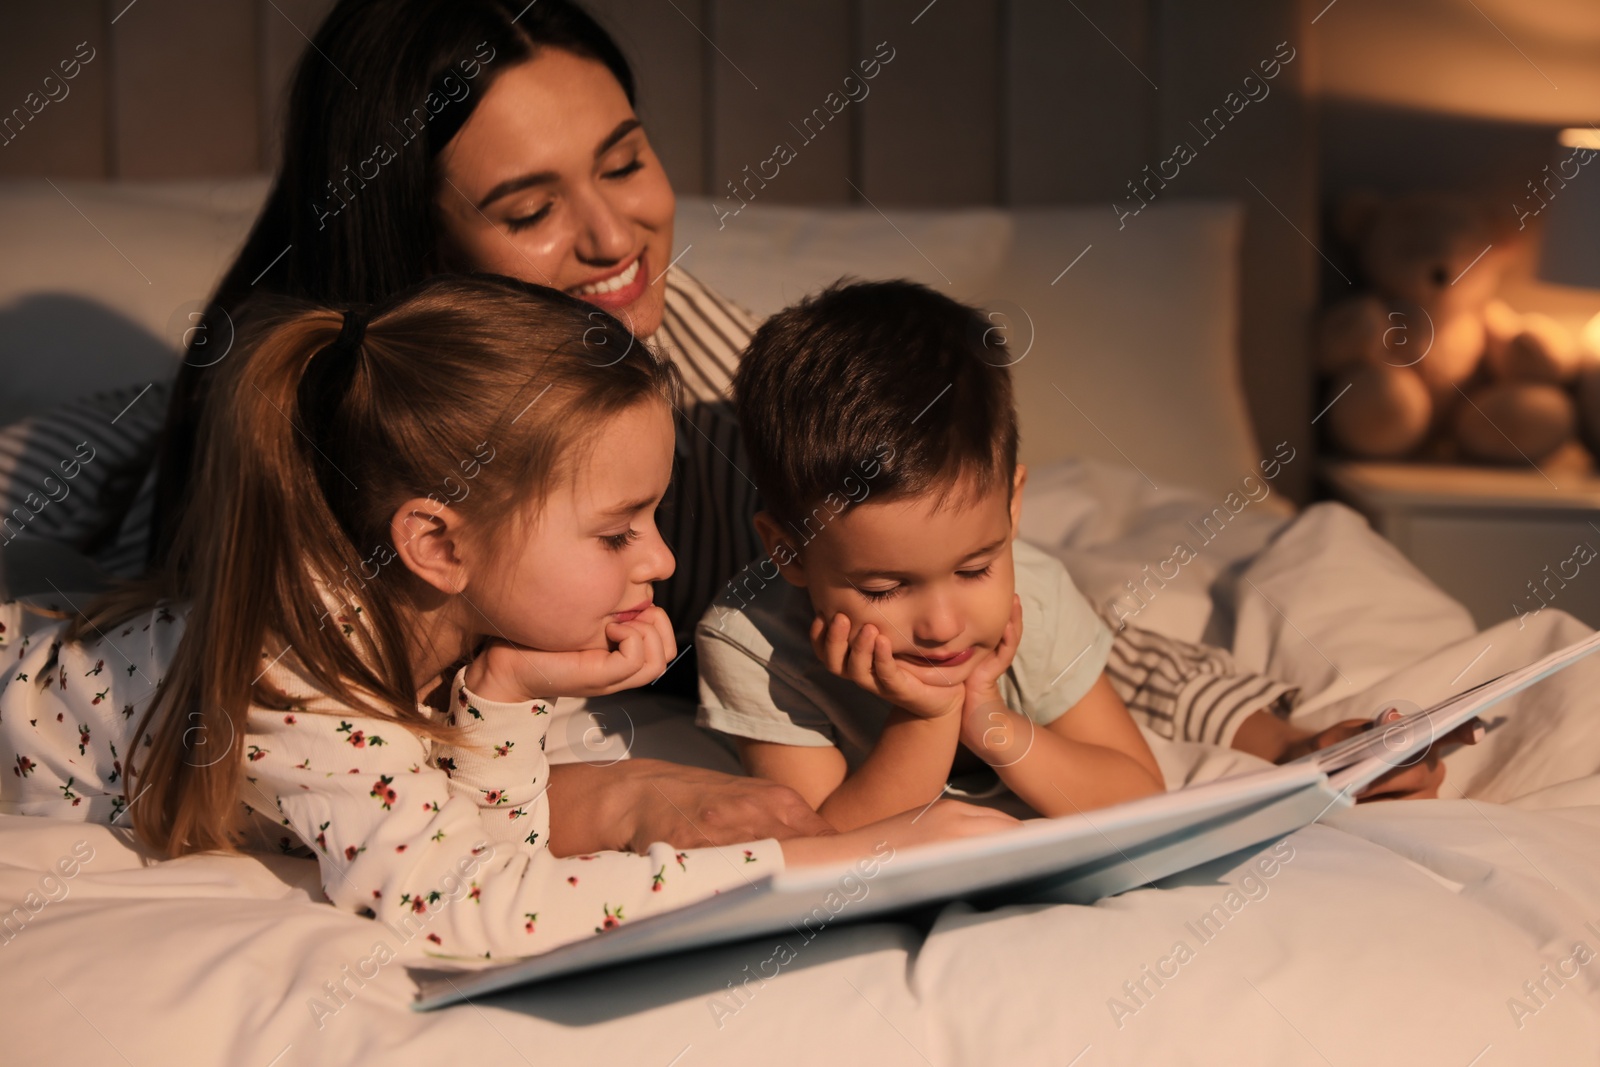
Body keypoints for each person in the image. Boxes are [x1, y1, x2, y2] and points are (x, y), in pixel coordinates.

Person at [0, 0, 1441, 845]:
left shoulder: (703, 370)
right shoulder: (295, 412)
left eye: (625, 160)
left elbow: (995, 583)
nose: (614, 234)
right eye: (528, 207)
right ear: (409, 248)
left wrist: (1259, 716)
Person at [0, 275, 1016, 957]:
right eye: (617, 530)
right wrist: (848, 856)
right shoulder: (296, 670)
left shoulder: (452, 628)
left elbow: (484, 844)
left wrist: (505, 694)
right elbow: (465, 910)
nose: (662, 559)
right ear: (437, 544)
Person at [697, 281, 1474, 822]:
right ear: (789, 550)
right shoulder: (748, 643)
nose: (941, 622)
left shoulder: (1030, 591)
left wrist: (994, 723)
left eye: (974, 566)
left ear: (1014, 507)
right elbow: (828, 840)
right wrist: (929, 717)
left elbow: (1134, 790)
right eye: (883, 587)